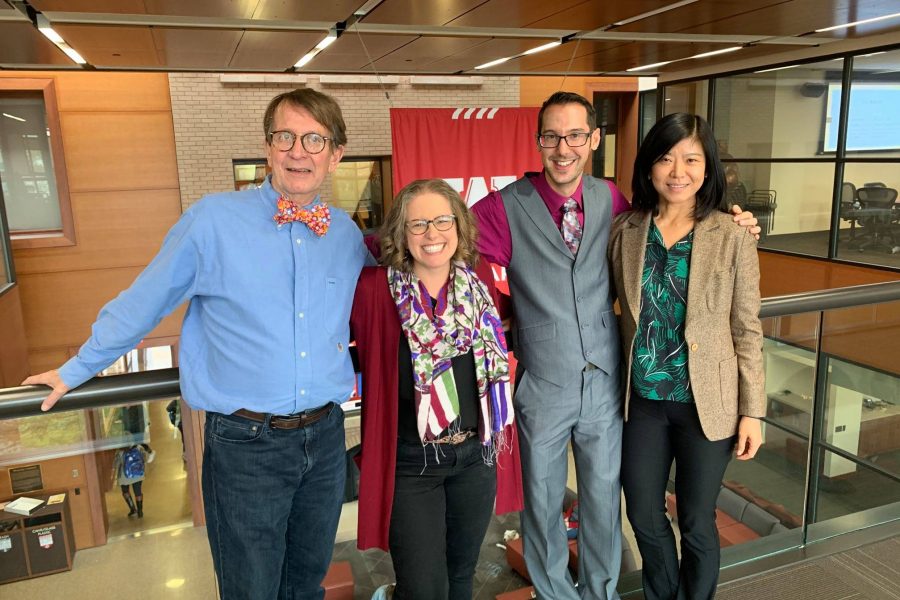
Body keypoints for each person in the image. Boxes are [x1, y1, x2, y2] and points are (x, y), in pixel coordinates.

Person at [22, 88, 371, 599]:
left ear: (335, 154)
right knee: (250, 591)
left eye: (314, 140)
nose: (299, 152)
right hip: (246, 446)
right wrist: (75, 369)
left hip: (325, 438)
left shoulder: (345, 235)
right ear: (268, 147)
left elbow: (382, 304)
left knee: (306, 585)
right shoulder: (212, 221)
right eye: (286, 137)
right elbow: (144, 302)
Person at [472, 91, 760, 599]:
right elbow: (447, 246)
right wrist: (501, 313)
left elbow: (742, 321)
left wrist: (752, 409)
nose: (564, 148)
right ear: (538, 141)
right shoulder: (522, 207)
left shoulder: (618, 205)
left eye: (575, 135)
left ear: (594, 139)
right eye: (552, 136)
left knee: (614, 504)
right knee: (554, 504)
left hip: (625, 386)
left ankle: (601, 592)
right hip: (572, 384)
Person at [608, 113, 765, 600]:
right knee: (643, 513)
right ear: (649, 167)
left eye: (691, 159)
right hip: (643, 402)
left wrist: (753, 411)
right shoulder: (625, 230)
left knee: (697, 520)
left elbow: (747, 328)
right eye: (666, 158)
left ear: (707, 167)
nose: (678, 171)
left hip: (706, 403)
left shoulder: (733, 234)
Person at [351, 178, 523, 600]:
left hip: (474, 458)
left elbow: (518, 320)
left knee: (461, 577)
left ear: (460, 225)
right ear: (401, 233)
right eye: (419, 224)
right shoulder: (374, 289)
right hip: (412, 464)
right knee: (423, 588)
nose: (433, 234)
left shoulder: (479, 280)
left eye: (443, 220)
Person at [113, 444, 150, 518]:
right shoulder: (139, 447)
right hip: (138, 474)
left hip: (124, 475)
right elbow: (146, 458)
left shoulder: (120, 450)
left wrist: (113, 474)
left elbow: (116, 464)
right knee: (138, 492)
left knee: (125, 491)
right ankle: (140, 511)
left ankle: (133, 509)